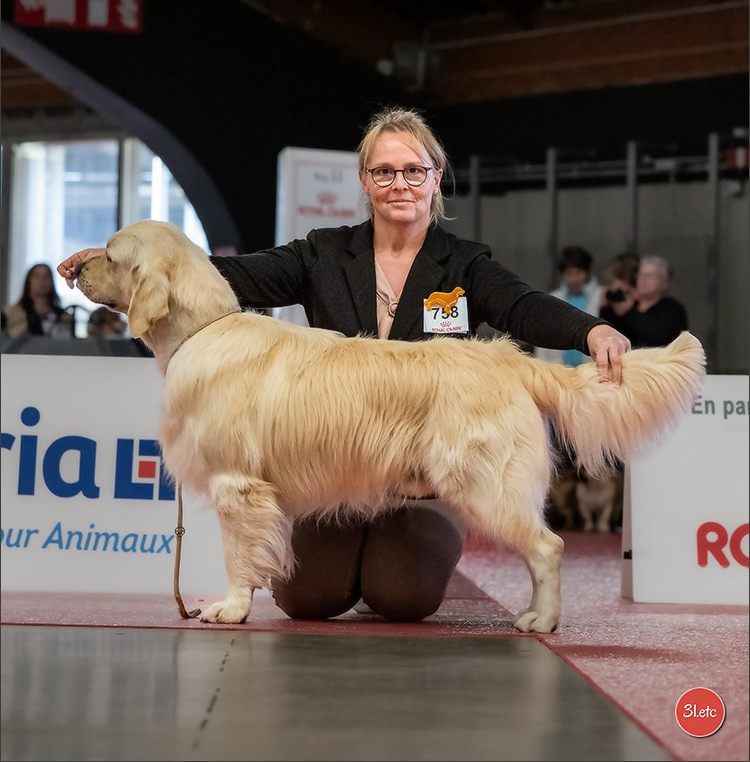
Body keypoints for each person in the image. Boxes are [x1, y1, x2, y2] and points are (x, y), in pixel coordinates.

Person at [58, 106, 631, 623]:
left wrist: (590, 329)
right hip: (332, 476)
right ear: (365, 182)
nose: (399, 183)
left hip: (420, 484)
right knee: (310, 600)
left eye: (413, 170)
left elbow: (523, 307)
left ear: (436, 176)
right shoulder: (324, 253)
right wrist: (118, 266)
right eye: (384, 172)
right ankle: (341, 559)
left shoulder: (464, 264)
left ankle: (441, 567)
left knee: (402, 598)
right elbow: (228, 274)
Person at [599, 254, 688, 348]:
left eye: (650, 275)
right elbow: (607, 335)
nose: (643, 279)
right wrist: (606, 307)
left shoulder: (672, 308)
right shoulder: (630, 304)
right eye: (641, 274)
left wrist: (629, 313)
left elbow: (661, 336)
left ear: (664, 282)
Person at [534, 245, 601, 367]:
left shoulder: (601, 298)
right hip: (560, 371)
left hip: (591, 371)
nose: (574, 279)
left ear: (587, 273)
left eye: (578, 273)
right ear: (563, 275)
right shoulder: (553, 299)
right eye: (570, 274)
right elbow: (542, 337)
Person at [2, 263, 75, 339]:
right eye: (36, 276)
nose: (42, 280)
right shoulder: (10, 314)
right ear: (29, 281)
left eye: (46, 276)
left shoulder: (64, 317)